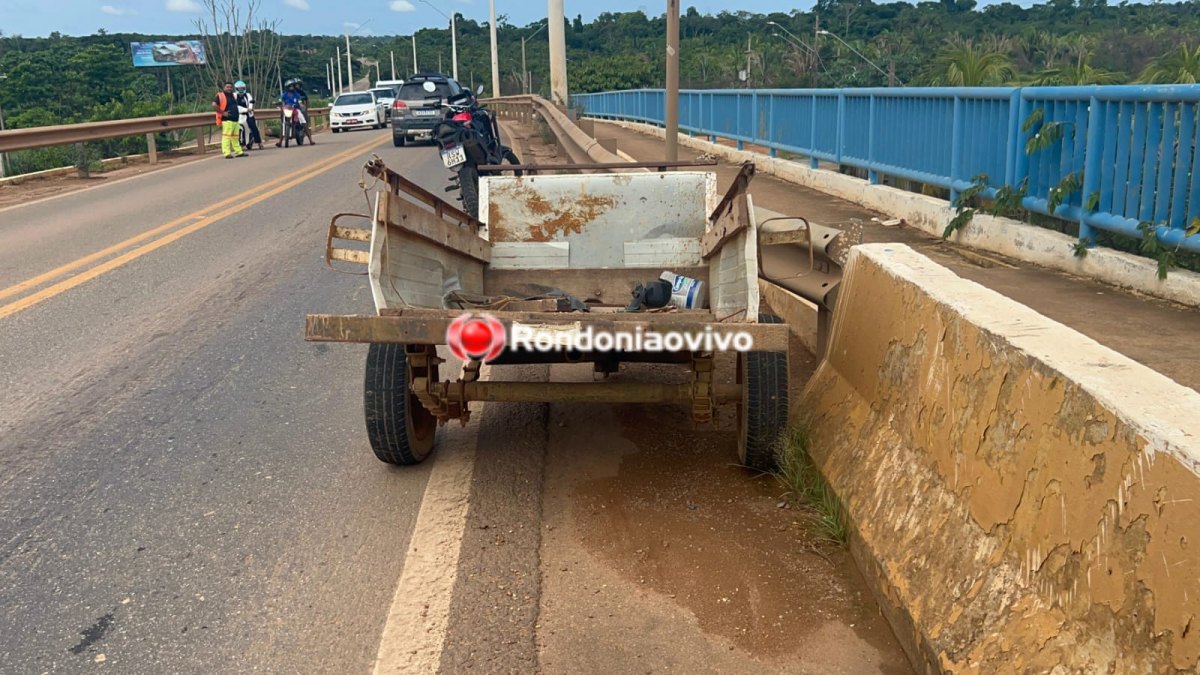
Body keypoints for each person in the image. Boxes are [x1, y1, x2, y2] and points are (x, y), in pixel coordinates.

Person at [212, 81, 246, 159]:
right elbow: (214, 104)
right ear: (224, 87)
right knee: (226, 137)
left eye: (230, 87)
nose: (229, 88)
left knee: (235, 137)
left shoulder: (233, 96)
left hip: (235, 120)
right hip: (227, 120)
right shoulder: (220, 95)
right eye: (227, 87)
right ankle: (227, 153)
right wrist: (222, 112)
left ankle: (239, 151)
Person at [276, 80, 308, 147]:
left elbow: (299, 101)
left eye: (292, 86)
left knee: (303, 122)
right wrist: (278, 103)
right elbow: (280, 100)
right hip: (287, 110)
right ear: (287, 87)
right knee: (282, 125)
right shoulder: (284, 94)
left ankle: (310, 139)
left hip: (296, 109)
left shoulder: (297, 94)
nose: (292, 87)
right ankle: (280, 142)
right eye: (290, 86)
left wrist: (301, 105)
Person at [235, 80, 264, 150]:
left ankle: (259, 142)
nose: (241, 90)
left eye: (242, 88)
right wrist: (245, 109)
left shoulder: (248, 95)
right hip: (239, 114)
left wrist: (250, 108)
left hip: (248, 114)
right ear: (236, 88)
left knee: (253, 127)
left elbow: (251, 102)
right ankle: (238, 144)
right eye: (239, 88)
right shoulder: (234, 96)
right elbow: (235, 106)